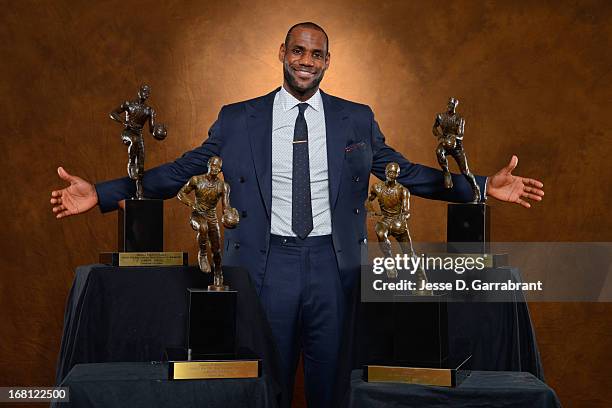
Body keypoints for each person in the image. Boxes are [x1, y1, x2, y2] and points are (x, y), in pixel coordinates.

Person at [50, 22, 544, 408]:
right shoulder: (238, 117)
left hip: (336, 268)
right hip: (266, 267)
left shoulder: (356, 117)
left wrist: (479, 186)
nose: (306, 61)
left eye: (316, 53)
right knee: (268, 382)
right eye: (297, 51)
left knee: (334, 384)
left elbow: (408, 173)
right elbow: (181, 171)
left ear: (327, 61)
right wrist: (99, 193)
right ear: (282, 54)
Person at [176, 156, 239, 289]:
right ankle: (203, 254)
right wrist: (191, 203)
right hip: (197, 215)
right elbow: (181, 194)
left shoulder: (223, 186)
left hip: (211, 217)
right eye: (214, 166)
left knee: (216, 250)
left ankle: (218, 272)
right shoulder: (196, 180)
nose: (216, 169)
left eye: (218, 167)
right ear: (208, 164)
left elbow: (225, 205)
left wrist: (230, 214)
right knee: (203, 227)